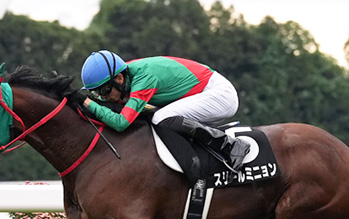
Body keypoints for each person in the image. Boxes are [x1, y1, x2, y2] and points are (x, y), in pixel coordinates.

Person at [75, 50, 250, 171]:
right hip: (204, 92)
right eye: (95, 92)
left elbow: (121, 123)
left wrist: (86, 102)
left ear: (119, 78)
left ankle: (230, 145)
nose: (102, 97)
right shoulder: (123, 75)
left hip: (220, 95)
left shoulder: (143, 78)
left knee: (160, 117)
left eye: (104, 91)